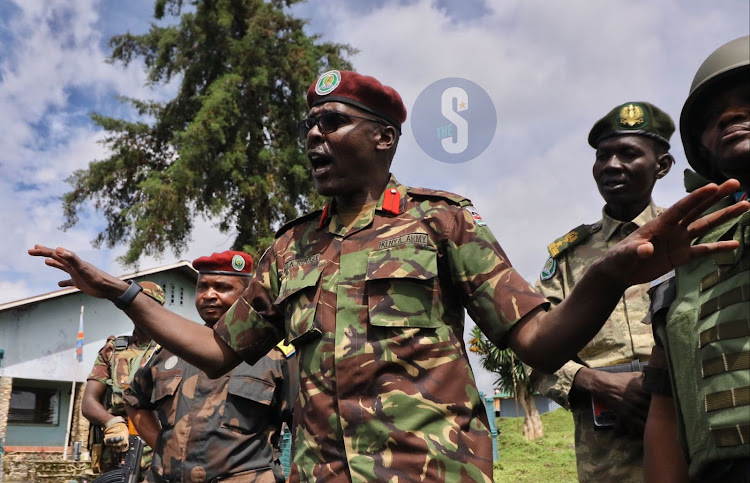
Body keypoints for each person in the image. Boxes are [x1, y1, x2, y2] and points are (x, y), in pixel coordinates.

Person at [30, 71, 748, 482]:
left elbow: (536, 341)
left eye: (333, 122)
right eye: (308, 125)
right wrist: (121, 292)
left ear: (383, 136)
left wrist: (612, 271)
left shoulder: (441, 223)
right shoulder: (290, 250)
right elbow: (220, 350)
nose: (313, 136)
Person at [531, 101, 675, 482]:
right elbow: (532, 349)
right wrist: (593, 382)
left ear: (662, 166)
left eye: (628, 153)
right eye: (602, 155)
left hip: (690, 428)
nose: (611, 165)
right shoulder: (567, 257)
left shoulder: (689, 234)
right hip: (607, 452)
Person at [643, 36, 750, 482]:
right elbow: (666, 407)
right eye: (712, 116)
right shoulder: (687, 253)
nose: (730, 115)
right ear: (701, 146)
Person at [122, 251, 297, 482]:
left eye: (222, 287)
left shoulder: (276, 354)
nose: (209, 295)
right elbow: (134, 401)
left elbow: (306, 423)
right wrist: (164, 449)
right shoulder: (169, 349)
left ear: (247, 295)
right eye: (202, 287)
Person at [82, 281, 165, 480]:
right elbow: (88, 402)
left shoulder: (171, 349)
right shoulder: (113, 350)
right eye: (134, 304)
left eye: (146, 304)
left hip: (159, 451)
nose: (139, 310)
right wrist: (110, 421)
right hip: (116, 449)